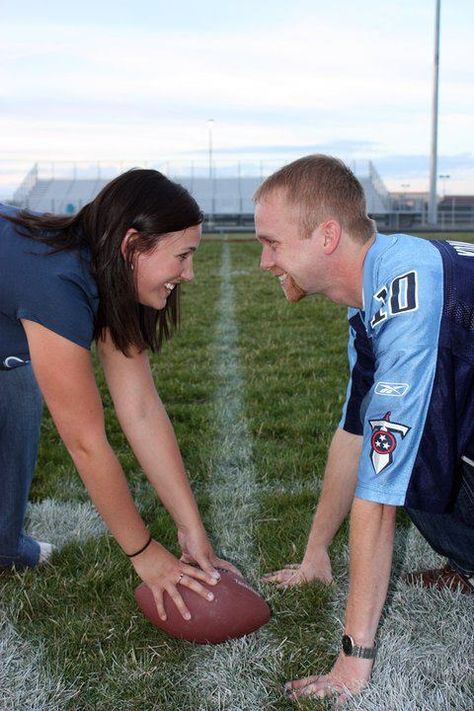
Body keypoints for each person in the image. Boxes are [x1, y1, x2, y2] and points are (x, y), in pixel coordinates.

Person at [254, 155, 474, 703]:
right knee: (397, 437)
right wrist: (315, 554)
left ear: (327, 235)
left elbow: (379, 488)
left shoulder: (407, 291)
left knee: (400, 453)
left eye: (273, 243)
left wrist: (353, 660)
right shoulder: (379, 288)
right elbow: (354, 434)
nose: (264, 261)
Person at [0, 169, 237, 622]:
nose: (188, 274)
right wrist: (144, 553)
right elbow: (86, 443)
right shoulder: (56, 285)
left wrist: (191, 530)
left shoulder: (107, 274)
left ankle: (4, 545)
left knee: (17, 387)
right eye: (183, 256)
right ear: (132, 245)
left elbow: (142, 411)